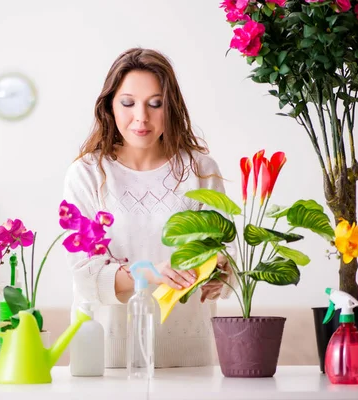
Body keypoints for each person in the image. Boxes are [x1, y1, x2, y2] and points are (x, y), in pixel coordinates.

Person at [63, 48, 233, 368]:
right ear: (109, 106)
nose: (141, 117)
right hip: (105, 361)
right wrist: (151, 272)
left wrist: (220, 274)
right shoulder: (86, 174)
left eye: (155, 104)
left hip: (190, 357)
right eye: (128, 103)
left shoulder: (200, 170)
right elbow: (85, 276)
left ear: (171, 108)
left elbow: (226, 255)